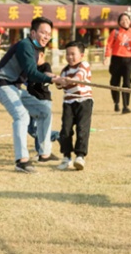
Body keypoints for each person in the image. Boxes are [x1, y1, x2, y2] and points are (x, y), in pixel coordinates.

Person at [0, 16, 66, 173]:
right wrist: (52, 79)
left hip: (15, 88)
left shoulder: (35, 49)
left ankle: (44, 153)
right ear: (33, 33)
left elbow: (35, 71)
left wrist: (53, 78)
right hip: (1, 84)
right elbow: (31, 73)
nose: (46, 36)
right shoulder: (26, 45)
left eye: (48, 33)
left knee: (44, 110)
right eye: (43, 32)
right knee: (22, 116)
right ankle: (21, 161)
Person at [55, 41, 93, 171]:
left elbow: (78, 78)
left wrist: (67, 82)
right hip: (68, 103)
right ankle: (66, 157)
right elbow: (59, 85)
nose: (69, 57)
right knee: (65, 130)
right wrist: (58, 80)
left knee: (82, 129)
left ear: (81, 55)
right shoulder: (65, 70)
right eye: (67, 54)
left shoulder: (84, 65)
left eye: (73, 54)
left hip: (84, 102)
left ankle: (80, 156)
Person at [103, 13, 131, 114]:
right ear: (119, 22)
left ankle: (126, 106)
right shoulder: (115, 32)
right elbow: (109, 45)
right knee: (114, 82)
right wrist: (107, 57)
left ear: (130, 21)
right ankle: (116, 102)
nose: (125, 21)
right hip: (116, 59)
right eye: (122, 20)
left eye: (127, 19)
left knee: (127, 82)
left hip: (128, 60)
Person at [26, 48, 60, 156]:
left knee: (38, 127)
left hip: (43, 100)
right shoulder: (30, 67)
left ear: (41, 55)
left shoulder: (45, 66)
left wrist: (53, 77)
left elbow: (47, 74)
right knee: (31, 129)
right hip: (31, 101)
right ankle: (56, 135)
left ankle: (41, 152)